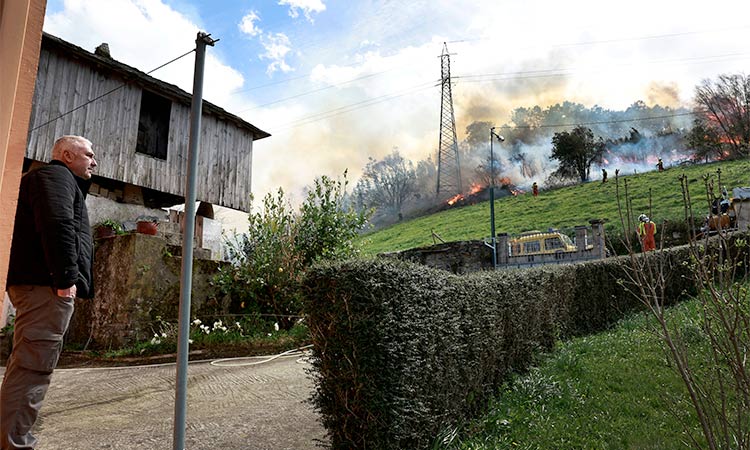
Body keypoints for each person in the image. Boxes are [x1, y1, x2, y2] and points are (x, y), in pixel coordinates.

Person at [1, 135, 97, 449]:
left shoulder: (57, 180)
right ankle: (12, 443)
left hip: (43, 285)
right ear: (67, 155)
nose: (93, 162)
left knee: (29, 364)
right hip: (47, 287)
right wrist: (66, 280)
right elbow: (57, 225)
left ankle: (10, 438)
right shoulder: (56, 176)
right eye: (89, 155)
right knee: (33, 367)